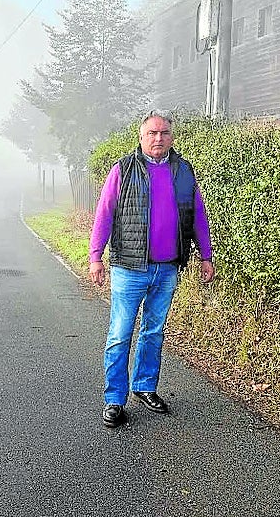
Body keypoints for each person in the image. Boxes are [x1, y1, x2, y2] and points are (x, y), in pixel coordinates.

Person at [89, 109, 214, 428]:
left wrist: (206, 255)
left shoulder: (183, 171)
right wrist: (95, 256)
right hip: (129, 268)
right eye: (152, 133)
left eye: (164, 133)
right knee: (120, 333)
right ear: (141, 137)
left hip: (168, 268)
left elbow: (198, 215)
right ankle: (115, 399)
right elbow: (104, 214)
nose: (159, 138)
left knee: (154, 331)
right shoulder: (123, 169)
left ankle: (145, 387)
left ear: (172, 136)